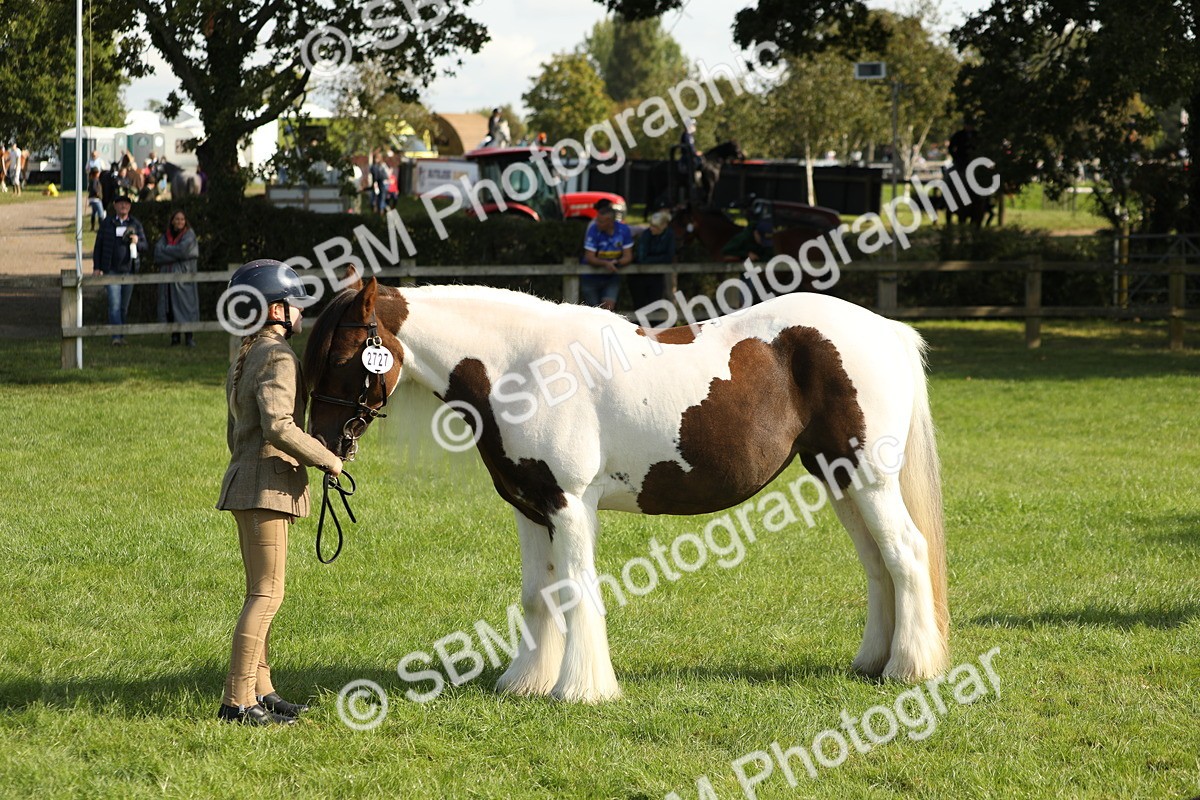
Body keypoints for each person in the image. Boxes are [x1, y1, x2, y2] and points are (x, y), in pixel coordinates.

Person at [216, 260, 343, 726]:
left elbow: (236, 432)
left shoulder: (246, 354)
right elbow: (278, 425)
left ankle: (262, 691)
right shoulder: (278, 356)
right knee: (267, 596)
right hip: (263, 486)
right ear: (274, 309)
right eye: (294, 305)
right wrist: (327, 458)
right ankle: (236, 702)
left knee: (259, 592)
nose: (301, 313)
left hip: (249, 481)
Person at [91, 195, 148, 345]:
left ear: (130, 207)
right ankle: (116, 337)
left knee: (124, 306)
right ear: (115, 206)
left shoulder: (135, 224)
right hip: (111, 270)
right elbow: (98, 247)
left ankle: (122, 335)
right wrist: (97, 267)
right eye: (120, 204)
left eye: (126, 204)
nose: (123, 206)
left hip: (129, 270)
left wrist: (137, 241)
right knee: (114, 305)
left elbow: (145, 246)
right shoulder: (107, 224)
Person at [155, 209, 200, 346]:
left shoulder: (189, 235)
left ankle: (189, 338)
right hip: (168, 279)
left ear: (185, 221)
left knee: (186, 306)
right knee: (170, 307)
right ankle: (174, 337)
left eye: (182, 219)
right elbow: (157, 253)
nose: (179, 221)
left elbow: (183, 251)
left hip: (184, 278)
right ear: (172, 221)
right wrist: (174, 253)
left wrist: (166, 251)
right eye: (177, 219)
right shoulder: (166, 236)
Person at [581, 199, 633, 311]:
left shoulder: (623, 230)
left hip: (611, 276)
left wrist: (617, 263)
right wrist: (605, 264)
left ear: (610, 221)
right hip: (591, 277)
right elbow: (589, 257)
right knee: (593, 311)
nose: (597, 223)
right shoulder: (593, 229)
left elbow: (628, 256)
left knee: (608, 310)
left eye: (601, 221)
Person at [631, 210, 675, 311]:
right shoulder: (646, 235)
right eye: (651, 225)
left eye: (655, 226)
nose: (651, 228)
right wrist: (661, 258)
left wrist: (653, 259)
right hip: (639, 275)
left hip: (657, 276)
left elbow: (669, 257)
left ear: (663, 226)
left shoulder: (669, 235)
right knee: (639, 305)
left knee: (655, 305)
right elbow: (642, 258)